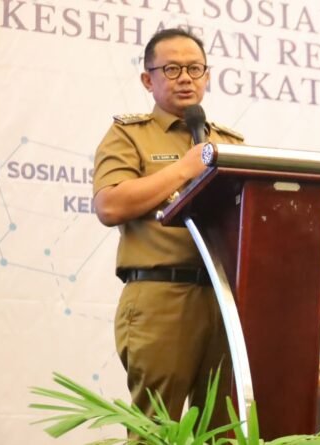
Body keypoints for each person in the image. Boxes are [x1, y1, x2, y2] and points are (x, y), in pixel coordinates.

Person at [93, 28, 244, 427]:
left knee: (223, 428)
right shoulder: (129, 134)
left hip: (224, 299)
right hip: (162, 296)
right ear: (148, 79)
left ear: (207, 76)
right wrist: (183, 169)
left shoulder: (230, 143)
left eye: (195, 69)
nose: (185, 78)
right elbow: (109, 205)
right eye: (172, 69)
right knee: (157, 430)